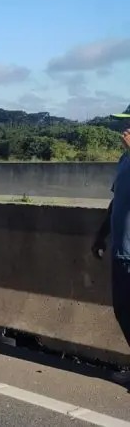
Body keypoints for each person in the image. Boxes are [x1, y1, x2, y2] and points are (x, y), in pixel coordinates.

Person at [91, 110, 130, 385]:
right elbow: (117, 201)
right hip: (122, 250)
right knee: (123, 311)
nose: (124, 130)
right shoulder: (124, 159)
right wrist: (101, 234)